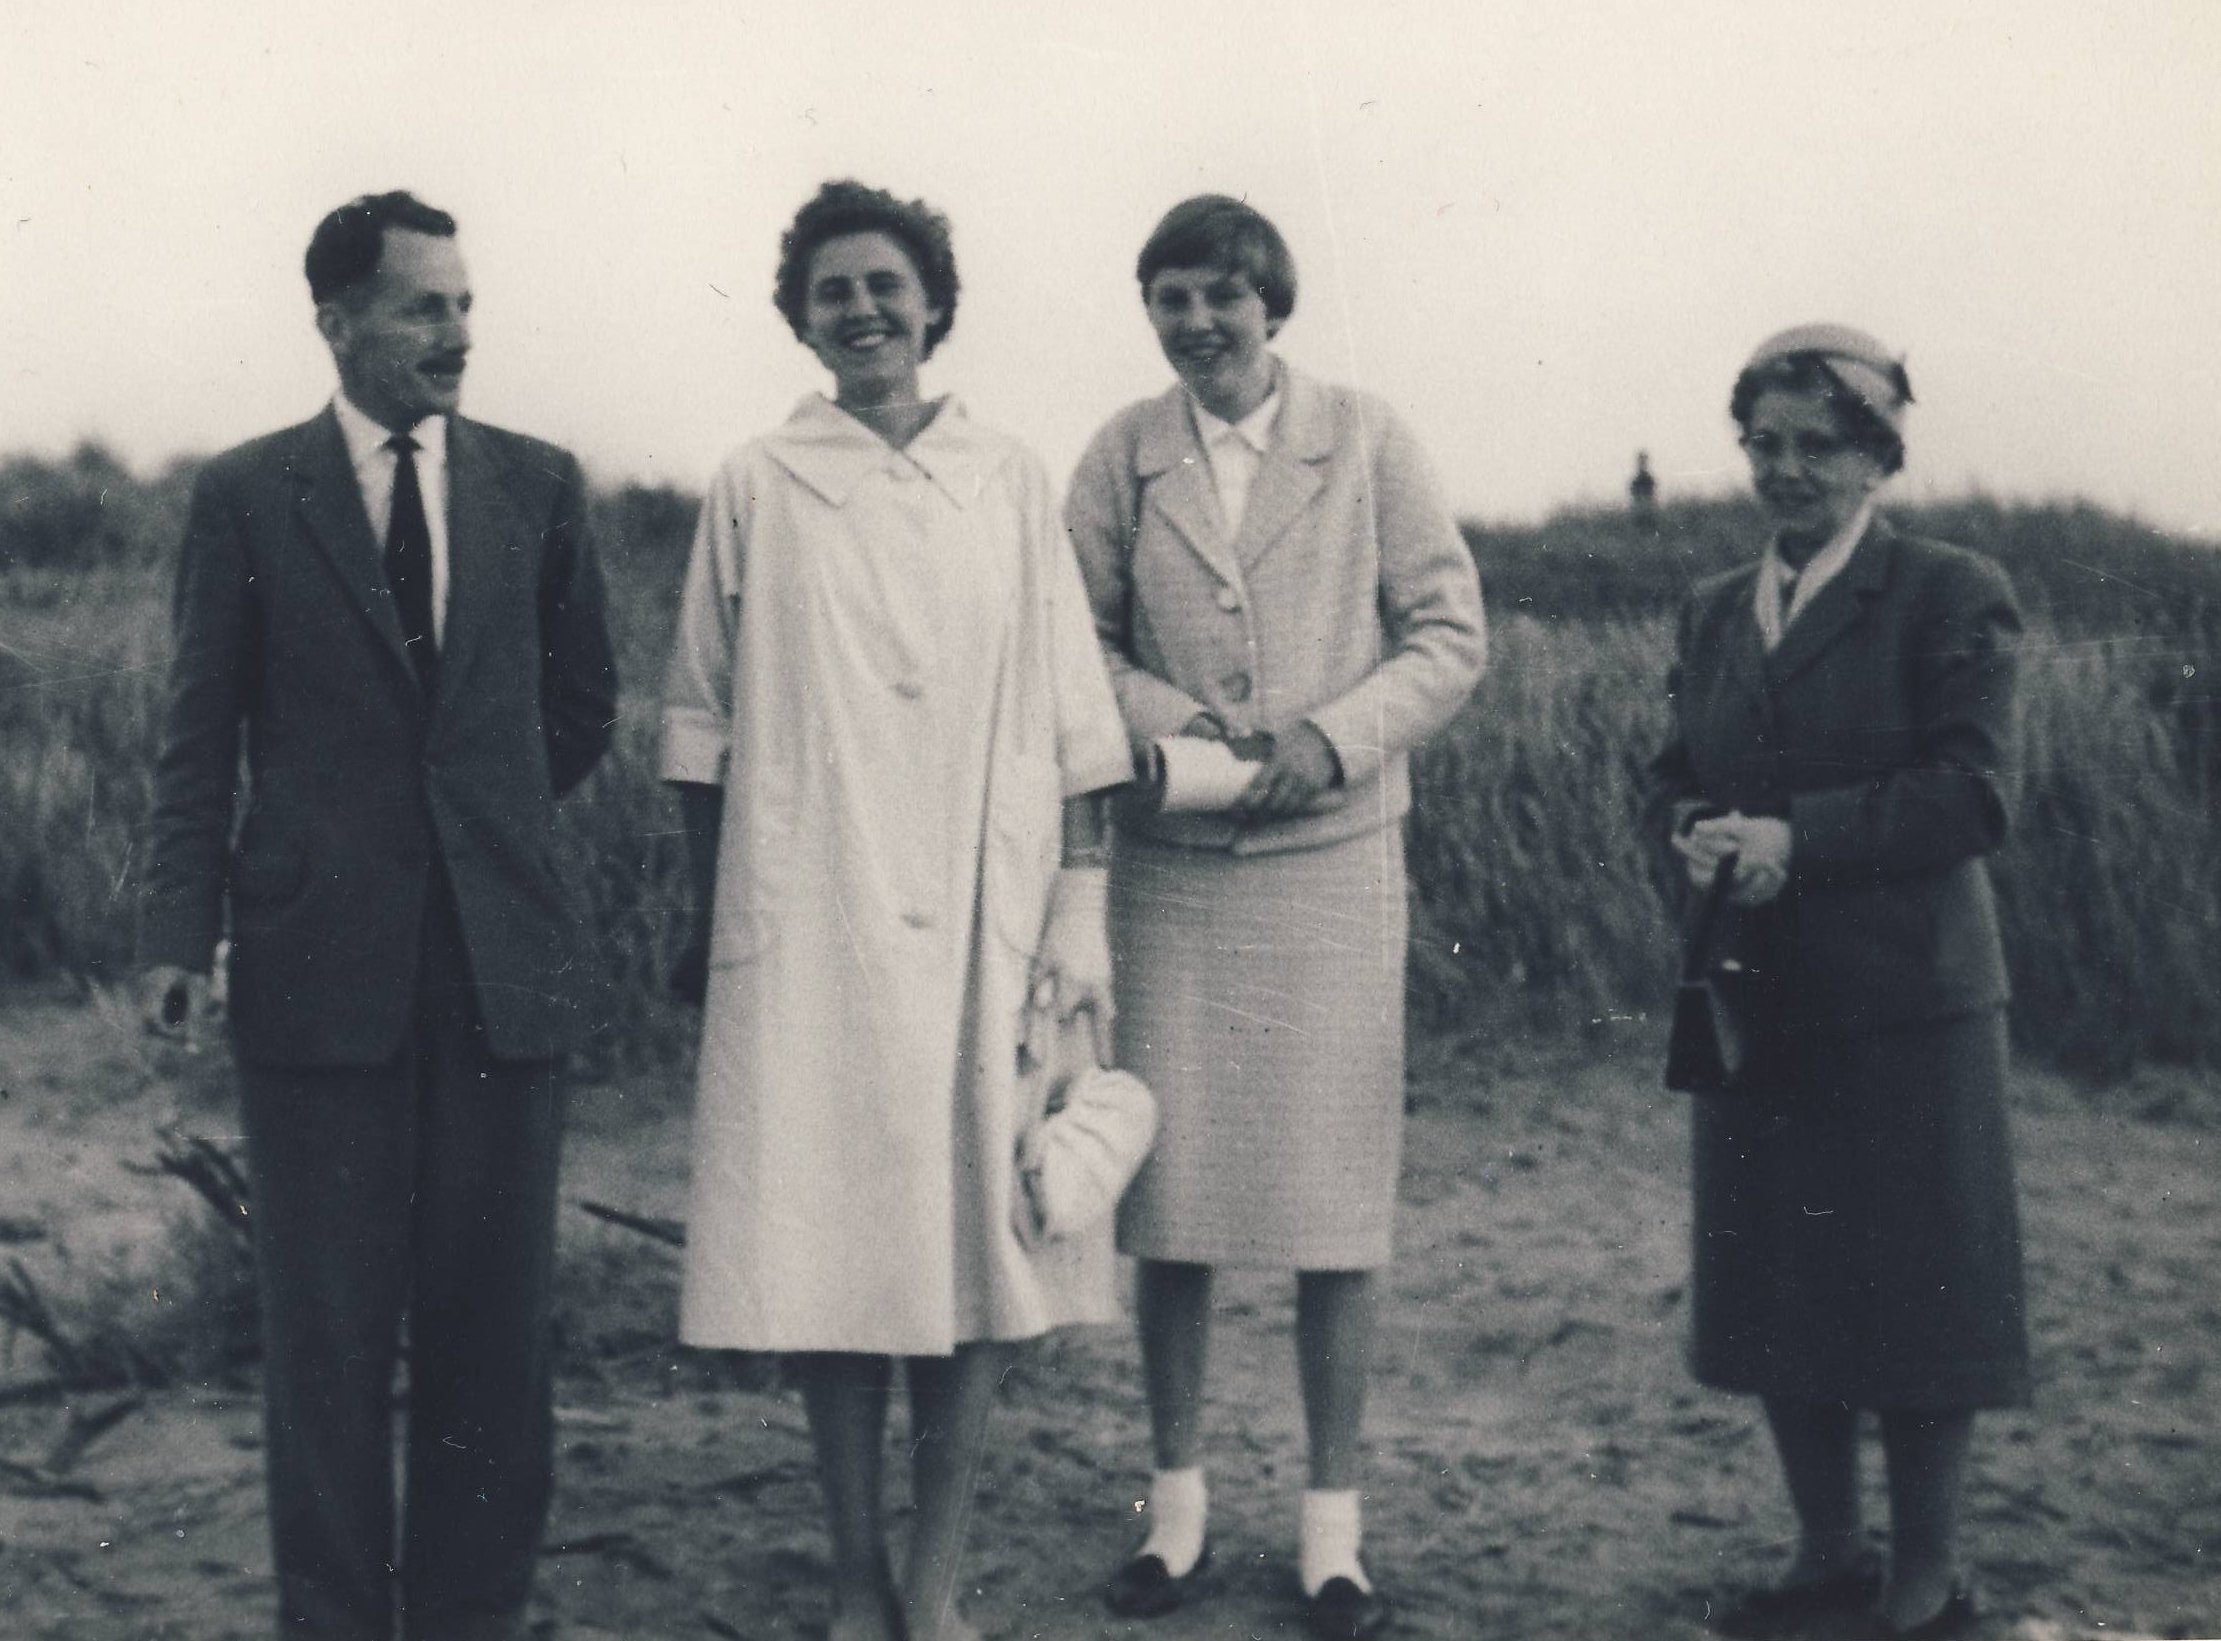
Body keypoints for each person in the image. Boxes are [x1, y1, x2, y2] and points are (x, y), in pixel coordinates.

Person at [139, 190, 617, 1641]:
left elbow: (577, 705)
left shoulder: (537, 483)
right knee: (328, 1347)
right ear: (337, 322)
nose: (458, 333)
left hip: (498, 972)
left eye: (466, 304)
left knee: (491, 1341)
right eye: (425, 307)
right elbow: (196, 728)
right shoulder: (245, 491)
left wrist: (470, 819)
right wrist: (175, 932)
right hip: (312, 977)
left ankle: (470, 1620)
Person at [660, 180, 1133, 1641]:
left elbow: (1072, 722)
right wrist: (703, 909)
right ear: (799, 318)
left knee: (974, 1244)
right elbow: (697, 726)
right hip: (804, 920)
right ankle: (854, 1573)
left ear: (932, 300)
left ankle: (933, 1580)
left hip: (990, 917)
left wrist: (1080, 909)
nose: (862, 311)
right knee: (830, 1246)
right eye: (832, 292)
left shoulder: (1004, 478)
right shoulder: (755, 481)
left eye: (886, 285)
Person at [1065, 195, 1486, 1640]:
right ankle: (1172, 1511)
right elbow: (1078, 636)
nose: (1196, 323)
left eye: (1221, 296)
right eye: (1170, 298)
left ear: (1273, 303)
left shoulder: (1368, 438)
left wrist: (1327, 738)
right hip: (1175, 862)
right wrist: (1170, 720)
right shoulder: (1123, 453)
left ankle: (1330, 1530)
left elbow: (1447, 632)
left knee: (1328, 1200)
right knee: (1167, 1201)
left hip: (1330, 863)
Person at [1647, 324, 2029, 1640]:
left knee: (1921, 1285)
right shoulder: (1710, 606)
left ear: (1878, 455)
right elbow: (1670, 768)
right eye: (1764, 441)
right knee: (1773, 1277)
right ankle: (1824, 1552)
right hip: (1757, 996)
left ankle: (1924, 1578)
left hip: (1905, 999)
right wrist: (1691, 828)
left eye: (1819, 444)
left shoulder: (1946, 589)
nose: (1787, 468)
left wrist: (1795, 839)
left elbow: (1973, 793)